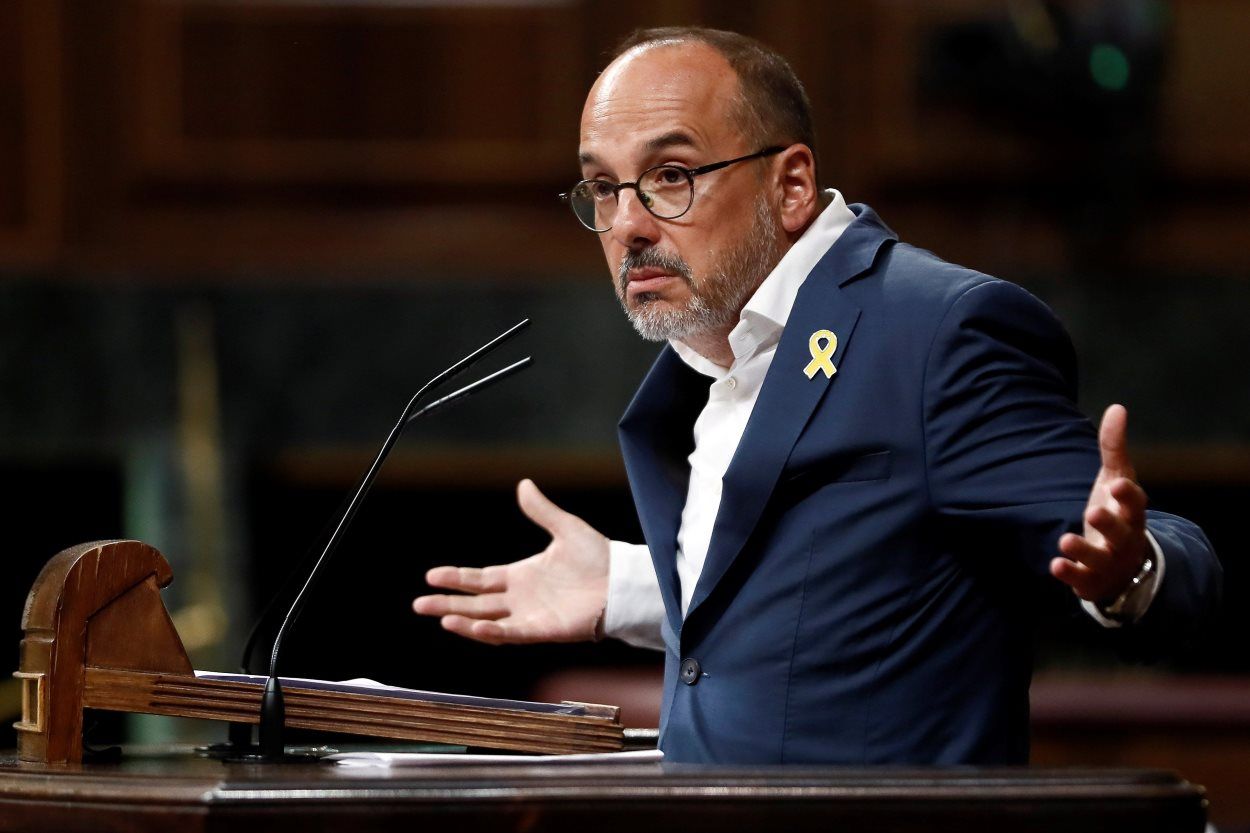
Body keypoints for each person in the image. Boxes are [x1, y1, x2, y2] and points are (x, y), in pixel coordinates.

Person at [413, 27, 1221, 764]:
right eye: (602, 187)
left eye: (669, 176)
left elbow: (1173, 559)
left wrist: (1130, 566)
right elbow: (837, 593)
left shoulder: (940, 332)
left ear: (792, 184)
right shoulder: (709, 358)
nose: (628, 224)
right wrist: (636, 585)